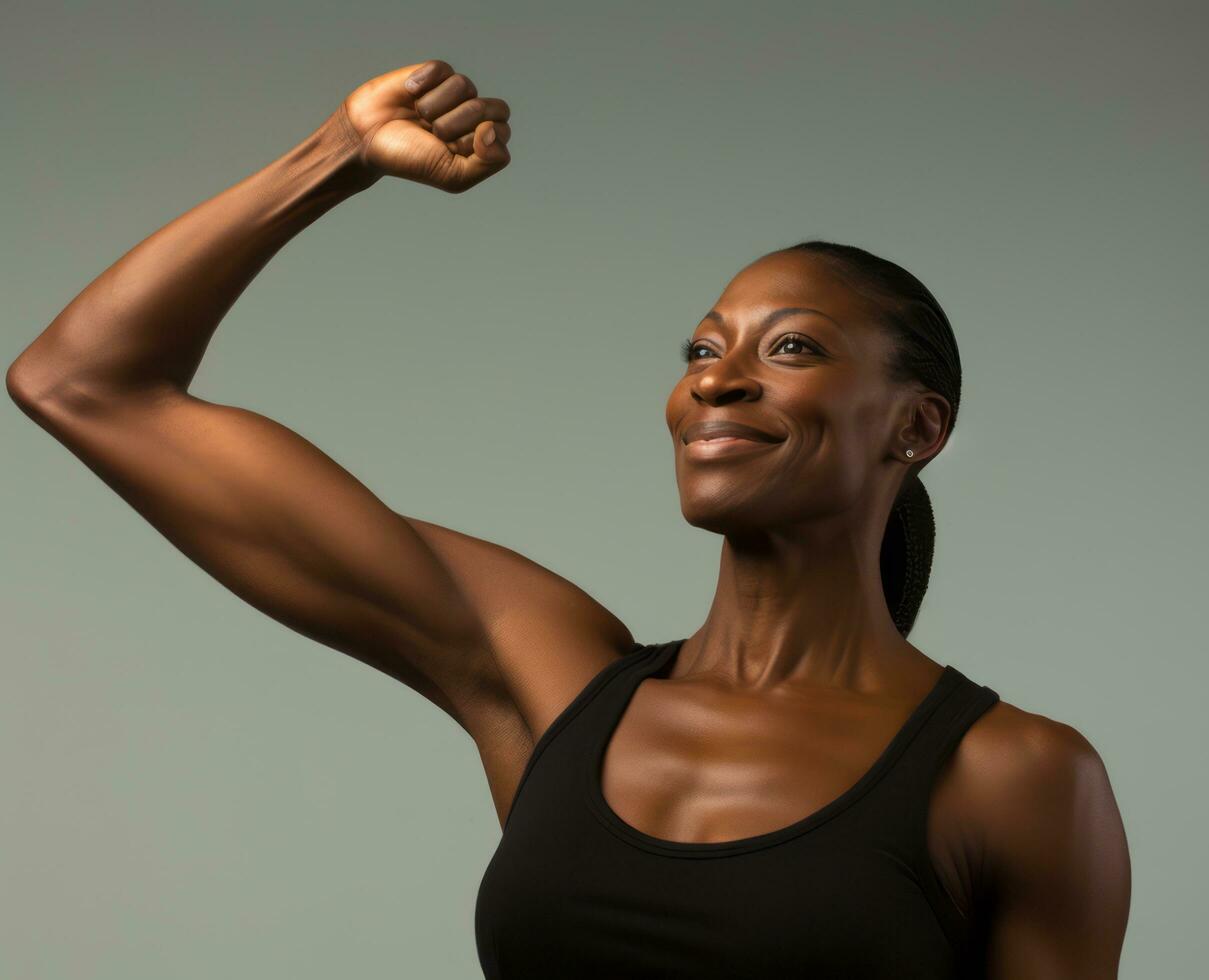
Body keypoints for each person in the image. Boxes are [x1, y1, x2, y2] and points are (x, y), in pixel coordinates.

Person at [7, 57, 1131, 977]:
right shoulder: (549, 679)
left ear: (915, 427)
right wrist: (337, 155)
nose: (715, 380)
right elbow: (86, 383)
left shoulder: (1012, 776)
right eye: (701, 348)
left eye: (788, 347)